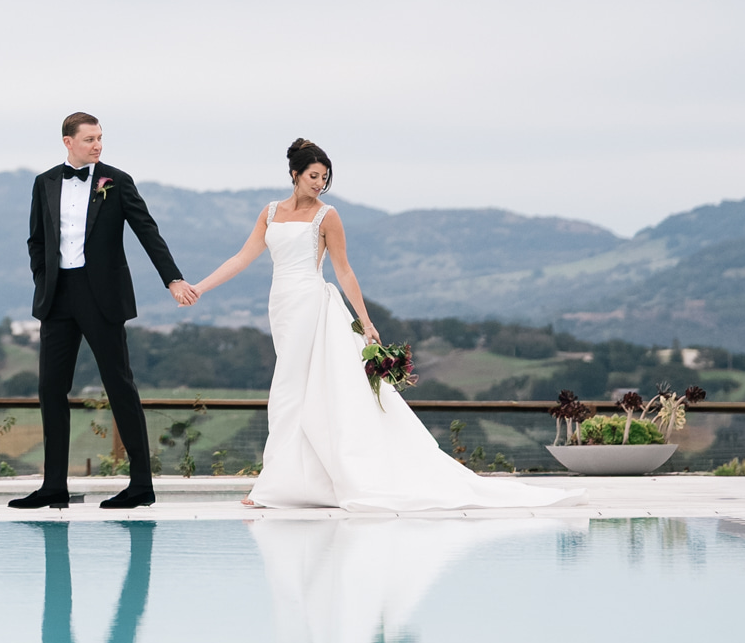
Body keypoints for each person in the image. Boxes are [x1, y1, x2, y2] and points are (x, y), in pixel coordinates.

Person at [183, 138, 576, 512]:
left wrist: (365, 322)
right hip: (281, 306)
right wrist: (199, 287)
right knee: (295, 393)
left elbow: (344, 271)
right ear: (294, 174)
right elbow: (241, 257)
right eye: (313, 176)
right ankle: (294, 481)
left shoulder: (328, 216)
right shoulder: (270, 212)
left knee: (289, 391)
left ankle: (273, 485)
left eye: (324, 177)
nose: (320, 184)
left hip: (310, 305)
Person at [10, 113, 197, 511]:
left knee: (119, 386)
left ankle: (141, 485)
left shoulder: (117, 180)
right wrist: (42, 278)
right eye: (89, 138)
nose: (97, 145)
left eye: (100, 138)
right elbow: (37, 240)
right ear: (68, 142)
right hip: (58, 296)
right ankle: (53, 486)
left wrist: (173, 279)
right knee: (50, 390)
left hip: (103, 297)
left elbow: (148, 230)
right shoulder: (44, 182)